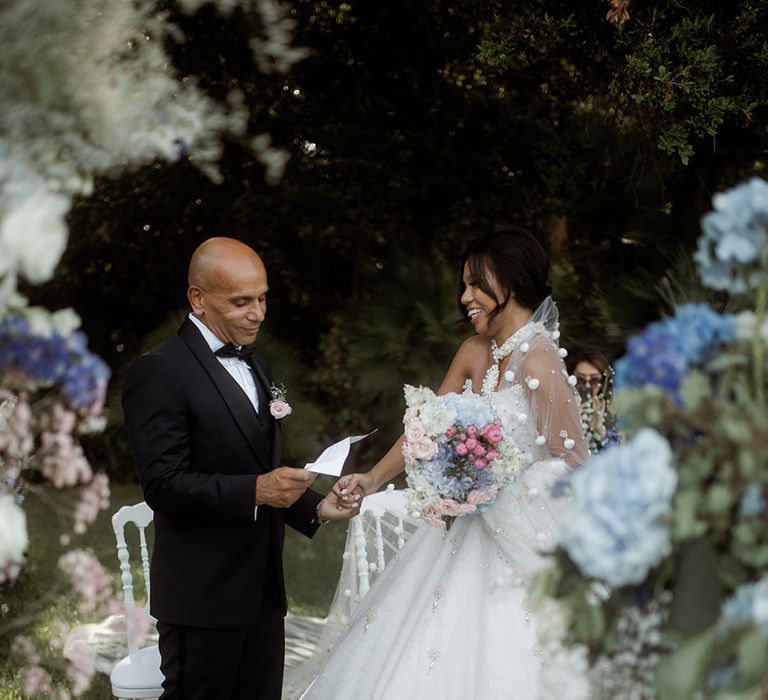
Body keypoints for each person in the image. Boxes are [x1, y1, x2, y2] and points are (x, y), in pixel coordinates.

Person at [296, 228, 588, 699]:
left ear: (511, 279)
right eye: (464, 285)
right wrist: (371, 478)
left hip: (519, 540)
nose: (465, 296)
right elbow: (424, 431)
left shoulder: (539, 361)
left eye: (475, 283)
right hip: (458, 537)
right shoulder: (472, 352)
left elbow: (571, 463)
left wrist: (494, 483)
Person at [122, 237, 358, 700]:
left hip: (264, 594)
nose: (258, 313)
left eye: (263, 297)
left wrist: (314, 508)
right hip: (202, 597)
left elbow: (257, 467)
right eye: (241, 301)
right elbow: (164, 485)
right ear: (198, 299)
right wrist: (255, 491)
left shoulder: (259, 365)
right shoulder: (158, 372)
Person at [567, 348, 621, 453]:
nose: (587, 385)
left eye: (594, 380)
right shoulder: (562, 407)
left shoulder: (614, 412)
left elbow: (620, 455)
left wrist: (599, 429)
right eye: (581, 379)